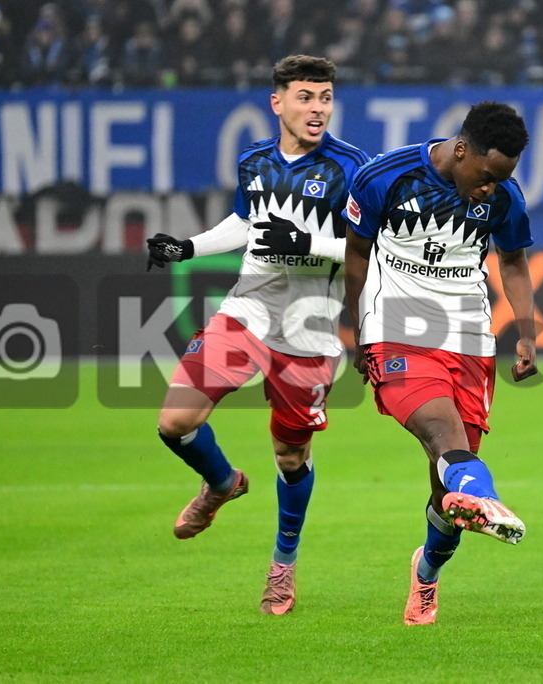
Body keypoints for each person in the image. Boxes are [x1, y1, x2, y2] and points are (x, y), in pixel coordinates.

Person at [145, 55, 369, 615]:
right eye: (305, 97)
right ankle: (221, 483)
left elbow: (370, 249)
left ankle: (282, 565)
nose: (317, 108)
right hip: (247, 312)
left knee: (291, 456)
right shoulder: (254, 161)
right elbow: (246, 224)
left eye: (325, 98)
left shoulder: (353, 168)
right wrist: (186, 247)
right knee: (175, 422)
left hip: (311, 331)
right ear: (278, 102)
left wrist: (307, 247)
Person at [343, 101, 538, 626]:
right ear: (460, 150)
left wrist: (525, 330)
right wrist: (351, 325)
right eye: (486, 175)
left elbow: (514, 260)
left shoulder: (504, 198)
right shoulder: (385, 176)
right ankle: (489, 500)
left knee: (448, 481)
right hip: (396, 329)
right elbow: (357, 251)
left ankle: (427, 568)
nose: (489, 188)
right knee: (440, 431)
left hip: (470, 338)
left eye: (501, 180)